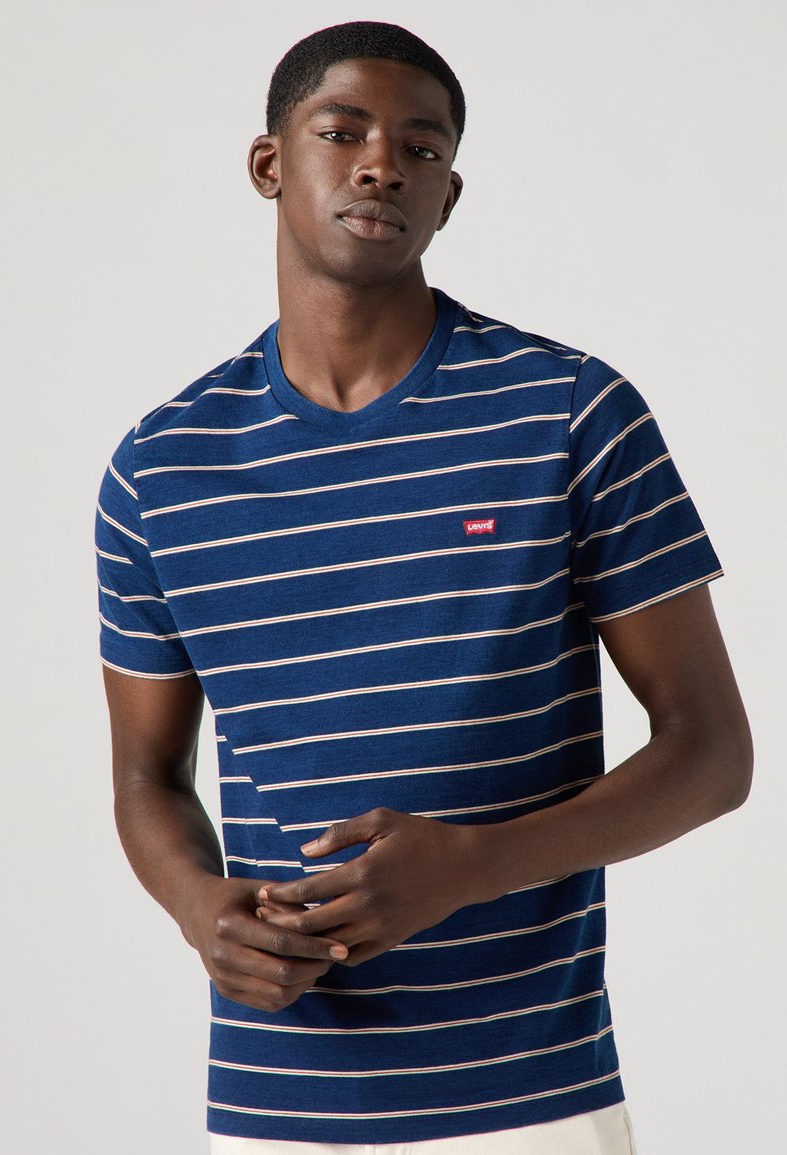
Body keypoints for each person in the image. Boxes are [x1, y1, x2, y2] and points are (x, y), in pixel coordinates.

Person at [95, 20, 752, 1155]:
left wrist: (473, 866)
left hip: (531, 1106)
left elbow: (712, 753)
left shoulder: (569, 415)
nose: (381, 166)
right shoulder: (161, 470)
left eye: (422, 148)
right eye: (341, 131)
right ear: (268, 163)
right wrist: (202, 909)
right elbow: (146, 778)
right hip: (274, 1110)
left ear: (449, 195)